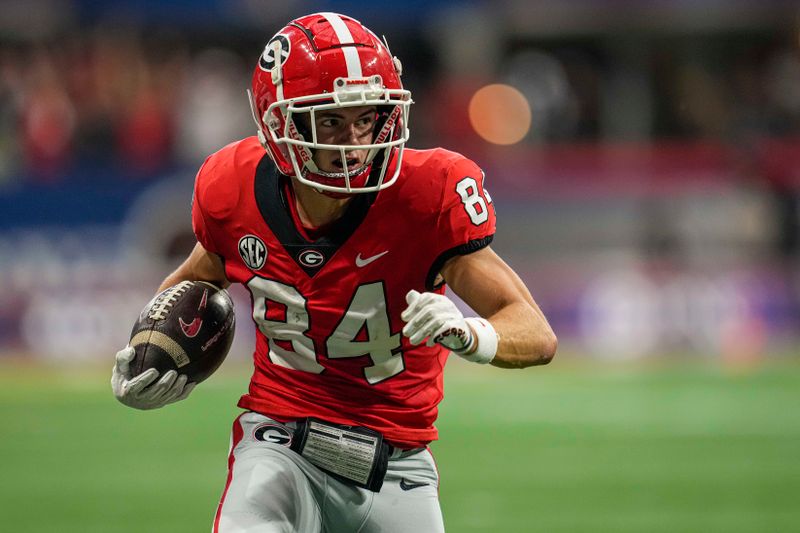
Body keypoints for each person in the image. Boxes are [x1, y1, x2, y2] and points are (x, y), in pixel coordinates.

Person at [111, 12, 557, 533]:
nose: (355, 143)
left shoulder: (427, 195)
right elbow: (197, 279)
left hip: (397, 465)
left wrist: (470, 332)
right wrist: (153, 355)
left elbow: (536, 333)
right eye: (330, 121)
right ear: (280, 126)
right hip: (279, 443)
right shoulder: (231, 189)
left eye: (366, 118)